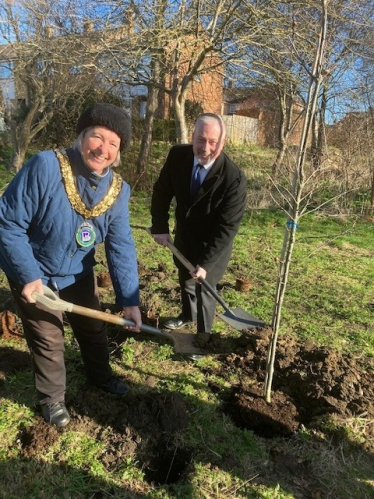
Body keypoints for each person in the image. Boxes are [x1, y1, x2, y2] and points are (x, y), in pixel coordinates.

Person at [0, 103, 142, 427]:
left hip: (78, 271)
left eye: (113, 143)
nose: (103, 149)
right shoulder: (45, 167)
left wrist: (129, 300)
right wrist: (28, 276)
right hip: (33, 270)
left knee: (93, 328)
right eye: (97, 137)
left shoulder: (118, 193)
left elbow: (120, 247)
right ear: (82, 136)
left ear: (119, 153)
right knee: (49, 338)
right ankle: (52, 400)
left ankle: (101, 376)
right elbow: (7, 224)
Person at [150, 113, 247, 352]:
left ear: (222, 143)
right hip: (185, 233)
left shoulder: (233, 179)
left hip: (213, 243)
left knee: (205, 287)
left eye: (213, 142)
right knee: (184, 276)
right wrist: (160, 226)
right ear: (192, 137)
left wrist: (205, 263)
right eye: (201, 140)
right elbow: (162, 191)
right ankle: (186, 315)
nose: (206, 147)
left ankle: (203, 337)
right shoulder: (177, 156)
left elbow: (227, 227)